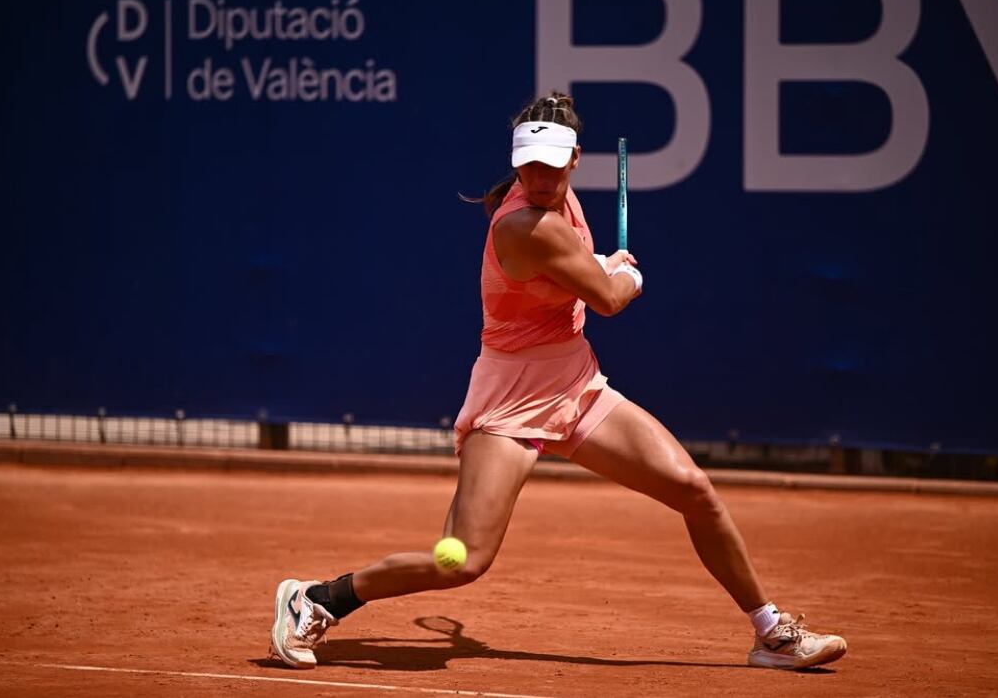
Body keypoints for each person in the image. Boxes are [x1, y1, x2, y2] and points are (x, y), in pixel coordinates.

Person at [269, 92, 847, 671]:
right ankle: (317, 599)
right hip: (509, 402)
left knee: (694, 489)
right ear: (516, 163)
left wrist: (602, 267)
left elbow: (575, 275)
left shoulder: (562, 203)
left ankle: (771, 633)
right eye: (530, 166)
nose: (541, 178)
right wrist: (625, 276)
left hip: (575, 384)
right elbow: (608, 300)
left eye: (552, 165)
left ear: (575, 159)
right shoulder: (525, 225)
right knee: (462, 561)